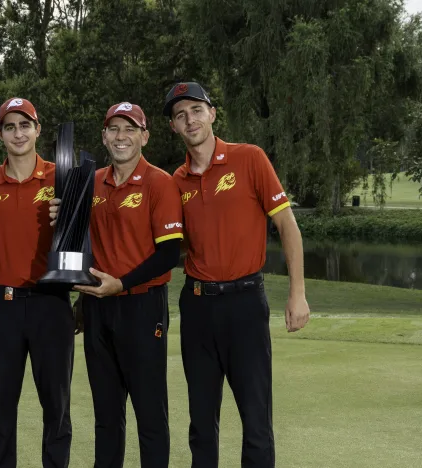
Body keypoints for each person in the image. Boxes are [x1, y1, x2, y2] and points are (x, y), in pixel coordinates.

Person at [162, 82, 310, 467]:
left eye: (196, 110)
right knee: (201, 423)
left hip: (245, 305)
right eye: (180, 115)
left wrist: (298, 294)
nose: (189, 119)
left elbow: (287, 226)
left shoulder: (250, 158)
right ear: (174, 128)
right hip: (197, 309)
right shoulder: (174, 182)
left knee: (256, 421)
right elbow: (170, 248)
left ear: (212, 113)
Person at [51, 102, 184, 467]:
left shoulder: (161, 182)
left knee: (149, 413)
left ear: (144, 136)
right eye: (113, 129)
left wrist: (121, 284)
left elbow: (169, 254)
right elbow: (77, 240)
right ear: (104, 137)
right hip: (96, 307)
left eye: (129, 129)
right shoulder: (90, 182)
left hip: (142, 306)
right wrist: (60, 219)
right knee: (106, 415)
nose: (120, 136)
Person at [0, 97, 75, 468]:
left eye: (25, 125)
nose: (18, 133)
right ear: (0, 134)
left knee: (57, 407)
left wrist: (69, 221)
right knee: (1, 406)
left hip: (52, 304)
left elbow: (90, 235)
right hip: (4, 307)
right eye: (10, 127)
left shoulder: (63, 175)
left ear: (38, 129)